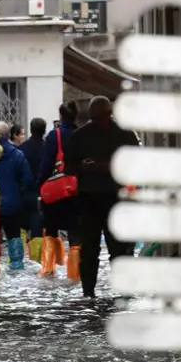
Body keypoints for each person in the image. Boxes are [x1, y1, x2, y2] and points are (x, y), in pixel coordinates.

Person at [64, 95, 139, 299]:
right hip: (91, 200)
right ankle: (90, 291)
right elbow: (69, 166)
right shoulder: (82, 136)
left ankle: (116, 290)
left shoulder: (123, 134)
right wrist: (84, 167)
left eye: (101, 117)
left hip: (113, 199)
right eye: (96, 117)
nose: (99, 121)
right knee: (91, 249)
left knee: (116, 248)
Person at [37, 101, 80, 280]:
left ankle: (48, 270)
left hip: (55, 192)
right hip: (76, 191)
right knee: (75, 232)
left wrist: (39, 185)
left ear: (60, 116)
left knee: (51, 228)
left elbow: (46, 164)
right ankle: (75, 274)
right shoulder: (81, 134)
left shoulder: (55, 136)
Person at [0, 122, 34, 271]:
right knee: (14, 235)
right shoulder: (17, 155)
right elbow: (27, 179)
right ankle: (17, 265)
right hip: (12, 203)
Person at [19, 117, 47, 256]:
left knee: (22, 225)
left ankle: (19, 257)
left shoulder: (22, 148)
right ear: (44, 130)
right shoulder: (47, 148)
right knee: (38, 225)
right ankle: (36, 259)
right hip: (43, 192)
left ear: (30, 129)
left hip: (25, 191)